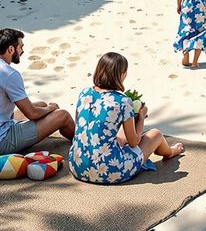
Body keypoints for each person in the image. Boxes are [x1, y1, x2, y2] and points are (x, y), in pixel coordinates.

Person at [69, 52, 182, 185]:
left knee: (119, 136)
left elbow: (80, 126)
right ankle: (171, 152)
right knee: (155, 134)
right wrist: (141, 117)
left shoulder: (84, 93)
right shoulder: (123, 101)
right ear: (122, 74)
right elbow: (134, 142)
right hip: (109, 171)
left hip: (78, 165)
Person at [0, 28, 75, 157]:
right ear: (11, 49)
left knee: (41, 104)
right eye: (20, 47)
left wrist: (46, 108)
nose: (22, 51)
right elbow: (32, 114)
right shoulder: (9, 74)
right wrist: (52, 108)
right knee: (62, 115)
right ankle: (82, 143)